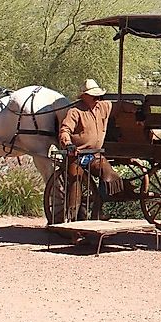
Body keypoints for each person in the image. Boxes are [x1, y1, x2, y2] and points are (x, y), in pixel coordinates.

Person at [57, 79, 123, 218]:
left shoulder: (103, 107)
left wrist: (136, 109)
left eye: (99, 96)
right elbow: (65, 130)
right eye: (94, 96)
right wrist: (68, 144)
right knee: (76, 183)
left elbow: (119, 106)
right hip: (76, 156)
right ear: (84, 96)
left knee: (110, 177)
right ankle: (72, 222)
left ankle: (97, 213)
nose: (97, 99)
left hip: (95, 155)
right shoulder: (75, 112)